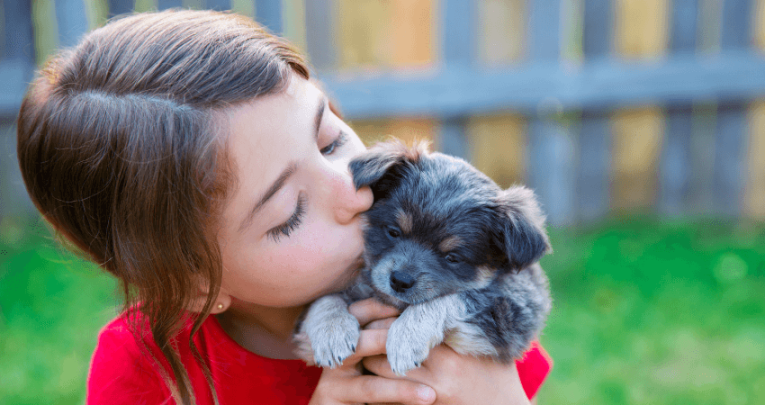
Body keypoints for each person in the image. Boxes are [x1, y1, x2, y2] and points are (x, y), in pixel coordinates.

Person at [16, 9, 551, 405]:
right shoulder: (141, 371)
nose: (353, 192)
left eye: (328, 141)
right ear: (194, 281)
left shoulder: (465, 329)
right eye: (290, 213)